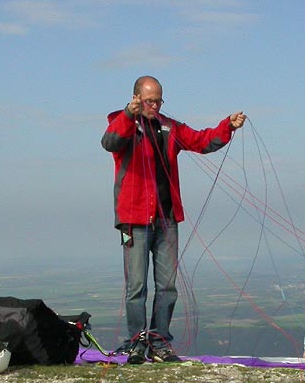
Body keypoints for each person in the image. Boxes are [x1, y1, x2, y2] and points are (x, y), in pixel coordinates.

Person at [101, 75, 246, 364]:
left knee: (167, 285)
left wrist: (226, 126)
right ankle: (136, 342)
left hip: (166, 219)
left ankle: (159, 340)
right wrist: (130, 115)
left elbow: (201, 141)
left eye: (158, 100)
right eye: (149, 100)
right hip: (134, 220)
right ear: (136, 98)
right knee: (137, 286)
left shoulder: (169, 127)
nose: (154, 105)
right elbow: (110, 142)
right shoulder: (124, 123)